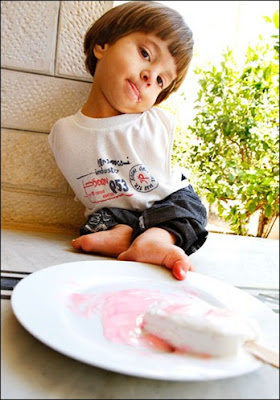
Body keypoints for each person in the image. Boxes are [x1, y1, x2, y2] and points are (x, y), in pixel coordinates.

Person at [48, 1, 208, 280]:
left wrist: (160, 223)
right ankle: (125, 235)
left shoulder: (155, 123)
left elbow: (168, 187)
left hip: (165, 203)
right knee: (98, 220)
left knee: (189, 210)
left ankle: (155, 240)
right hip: (115, 213)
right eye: (145, 53)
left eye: (161, 81)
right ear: (103, 44)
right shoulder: (63, 134)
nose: (150, 77)